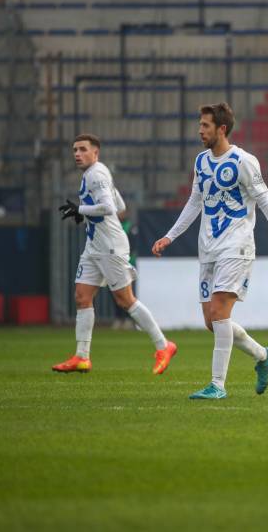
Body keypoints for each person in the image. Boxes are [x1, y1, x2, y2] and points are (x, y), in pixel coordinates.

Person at [152, 103, 268, 400]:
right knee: (213, 322)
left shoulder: (244, 161)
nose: (200, 130)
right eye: (200, 125)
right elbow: (194, 203)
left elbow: (266, 204)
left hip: (237, 246)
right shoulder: (200, 161)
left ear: (222, 129)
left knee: (221, 310)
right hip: (207, 248)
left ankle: (217, 385)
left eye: (206, 126)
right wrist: (170, 236)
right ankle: (263, 356)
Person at [53, 134, 177, 374]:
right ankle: (81, 357)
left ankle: (164, 345)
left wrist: (81, 209)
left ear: (95, 153)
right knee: (82, 296)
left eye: (83, 149)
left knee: (125, 300)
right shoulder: (97, 173)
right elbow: (120, 207)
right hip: (94, 245)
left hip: (110, 246)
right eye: (75, 150)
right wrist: (86, 213)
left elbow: (109, 208)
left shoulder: (96, 174)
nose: (77, 154)